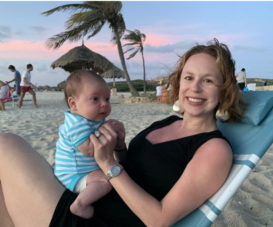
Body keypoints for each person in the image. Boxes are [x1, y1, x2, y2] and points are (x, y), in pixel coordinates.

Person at [0, 38, 245, 227]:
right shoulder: (167, 122)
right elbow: (134, 168)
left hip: (98, 221)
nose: (195, 87)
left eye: (209, 81)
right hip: (86, 200)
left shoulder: (214, 149)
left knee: (6, 144)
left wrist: (107, 163)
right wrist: (119, 148)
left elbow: (158, 220)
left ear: (225, 90)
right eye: (189, 77)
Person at [55, 70, 113, 218]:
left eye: (107, 99)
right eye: (95, 99)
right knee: (109, 180)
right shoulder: (77, 125)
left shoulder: (92, 119)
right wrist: (107, 136)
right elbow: (89, 150)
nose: (104, 104)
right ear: (73, 104)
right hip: (74, 175)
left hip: (85, 170)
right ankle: (80, 204)